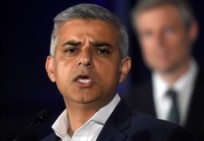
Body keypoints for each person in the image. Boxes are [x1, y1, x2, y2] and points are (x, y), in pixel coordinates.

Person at [42, 3, 193, 141]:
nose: (85, 59)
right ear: (51, 68)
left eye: (101, 51)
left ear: (123, 68)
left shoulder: (163, 137)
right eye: (71, 50)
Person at [124, 0, 204, 141]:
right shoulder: (125, 108)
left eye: (168, 30)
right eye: (148, 33)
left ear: (192, 30)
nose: (158, 42)